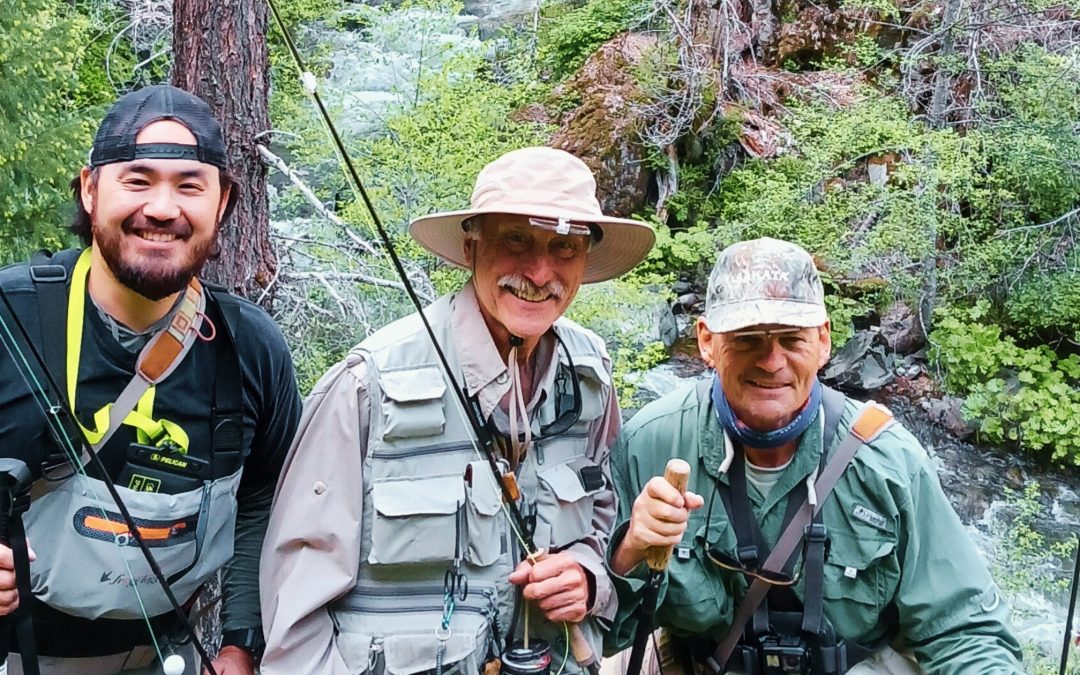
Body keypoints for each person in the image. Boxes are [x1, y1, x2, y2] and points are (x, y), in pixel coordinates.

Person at [259, 147, 656, 675]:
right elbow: (296, 610)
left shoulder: (591, 377)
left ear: (585, 259)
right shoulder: (370, 383)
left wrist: (586, 576)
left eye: (563, 246)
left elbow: (605, 519)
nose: (540, 272)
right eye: (517, 239)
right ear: (472, 246)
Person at [604, 238, 1024, 674]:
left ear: (824, 341)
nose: (771, 362)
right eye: (747, 340)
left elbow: (966, 632)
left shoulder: (888, 460)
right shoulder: (651, 444)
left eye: (791, 339)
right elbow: (607, 626)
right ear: (707, 342)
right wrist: (629, 554)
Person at [0, 85, 303, 674]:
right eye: (137, 180)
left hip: (172, 655)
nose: (163, 208)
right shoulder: (8, 316)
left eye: (190, 185)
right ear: (90, 191)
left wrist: (242, 644)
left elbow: (269, 500)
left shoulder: (251, 349)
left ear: (223, 204)